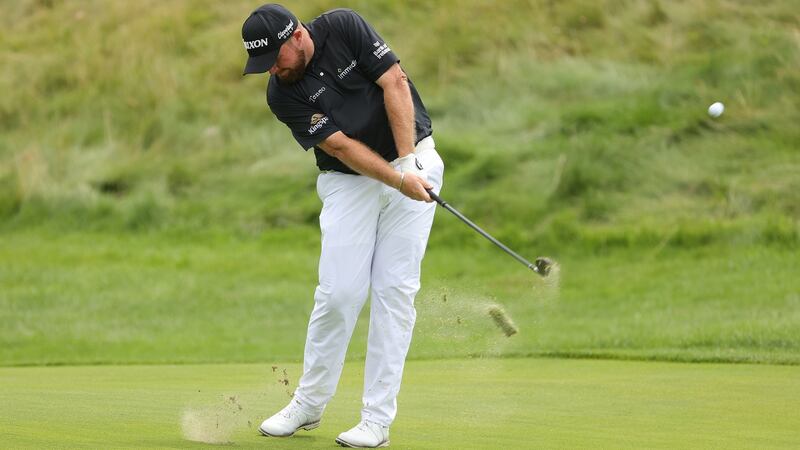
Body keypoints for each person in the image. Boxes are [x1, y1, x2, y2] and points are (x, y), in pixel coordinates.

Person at [241, 4, 444, 448]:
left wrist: (409, 165)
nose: (272, 70)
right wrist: (395, 179)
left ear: (296, 36)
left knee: (394, 292)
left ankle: (375, 421)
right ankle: (309, 404)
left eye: (275, 57)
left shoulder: (344, 26)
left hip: (414, 158)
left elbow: (394, 80)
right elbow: (339, 146)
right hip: (348, 182)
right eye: (263, 65)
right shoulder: (281, 94)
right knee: (339, 294)